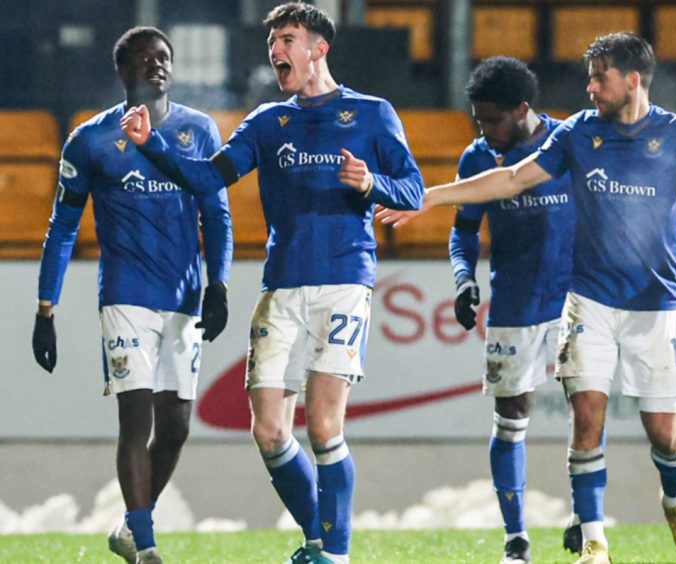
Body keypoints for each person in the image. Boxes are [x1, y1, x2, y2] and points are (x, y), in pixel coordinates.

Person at [379, 32, 676, 564]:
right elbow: (504, 186)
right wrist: (430, 207)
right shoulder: (571, 136)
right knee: (577, 419)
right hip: (569, 301)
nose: (590, 86)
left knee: (665, 436)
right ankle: (578, 544)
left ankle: (670, 497)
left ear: (631, 79)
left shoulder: (668, 136)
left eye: (600, 76)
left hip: (642, 301)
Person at [119, 4, 423, 563]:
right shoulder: (266, 122)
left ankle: (334, 553)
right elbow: (210, 176)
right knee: (268, 432)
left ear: (318, 48)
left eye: (287, 39)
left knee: (326, 424)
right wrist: (152, 146)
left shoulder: (373, 114)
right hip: (281, 286)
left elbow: (414, 191)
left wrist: (372, 181)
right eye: (273, 42)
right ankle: (320, 537)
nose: (276, 50)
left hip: (343, 281)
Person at [32, 26, 233, 564]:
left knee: (176, 428)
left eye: (164, 57)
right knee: (136, 419)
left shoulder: (199, 131)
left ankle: (127, 527)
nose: (158, 65)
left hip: (184, 298)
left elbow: (216, 213)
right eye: (145, 59)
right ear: (123, 71)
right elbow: (63, 227)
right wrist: (45, 307)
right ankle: (146, 549)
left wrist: (219, 283)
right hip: (125, 295)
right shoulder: (91, 140)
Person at [448, 56, 574, 564]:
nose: (484, 130)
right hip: (515, 301)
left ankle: (585, 516)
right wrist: (463, 279)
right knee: (510, 412)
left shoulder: (567, 143)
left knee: (585, 405)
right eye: (478, 120)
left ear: (523, 109)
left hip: (574, 298)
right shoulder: (477, 158)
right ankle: (516, 541)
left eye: (492, 120)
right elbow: (463, 231)